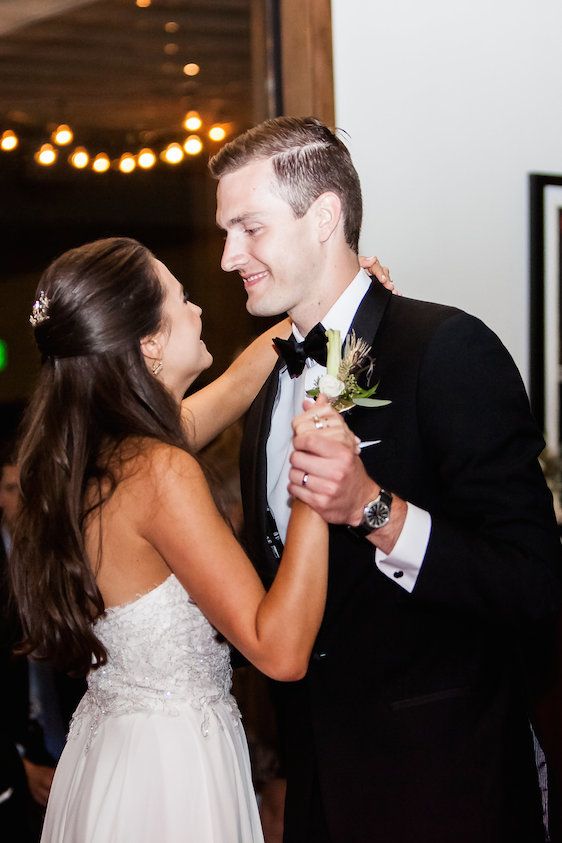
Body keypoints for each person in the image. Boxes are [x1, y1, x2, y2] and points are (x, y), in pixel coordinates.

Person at [210, 116, 562, 843]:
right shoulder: (272, 385)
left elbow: (535, 582)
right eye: (224, 231)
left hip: (444, 786)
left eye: (249, 228)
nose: (226, 255)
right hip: (317, 791)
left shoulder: (446, 349)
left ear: (324, 218)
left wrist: (377, 510)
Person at [9, 236, 360, 843]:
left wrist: (320, 314)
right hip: (172, 774)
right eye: (184, 298)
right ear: (149, 343)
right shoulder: (160, 470)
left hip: (112, 754)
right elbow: (278, 649)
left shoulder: (92, 457)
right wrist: (314, 476)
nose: (200, 310)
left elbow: (229, 392)